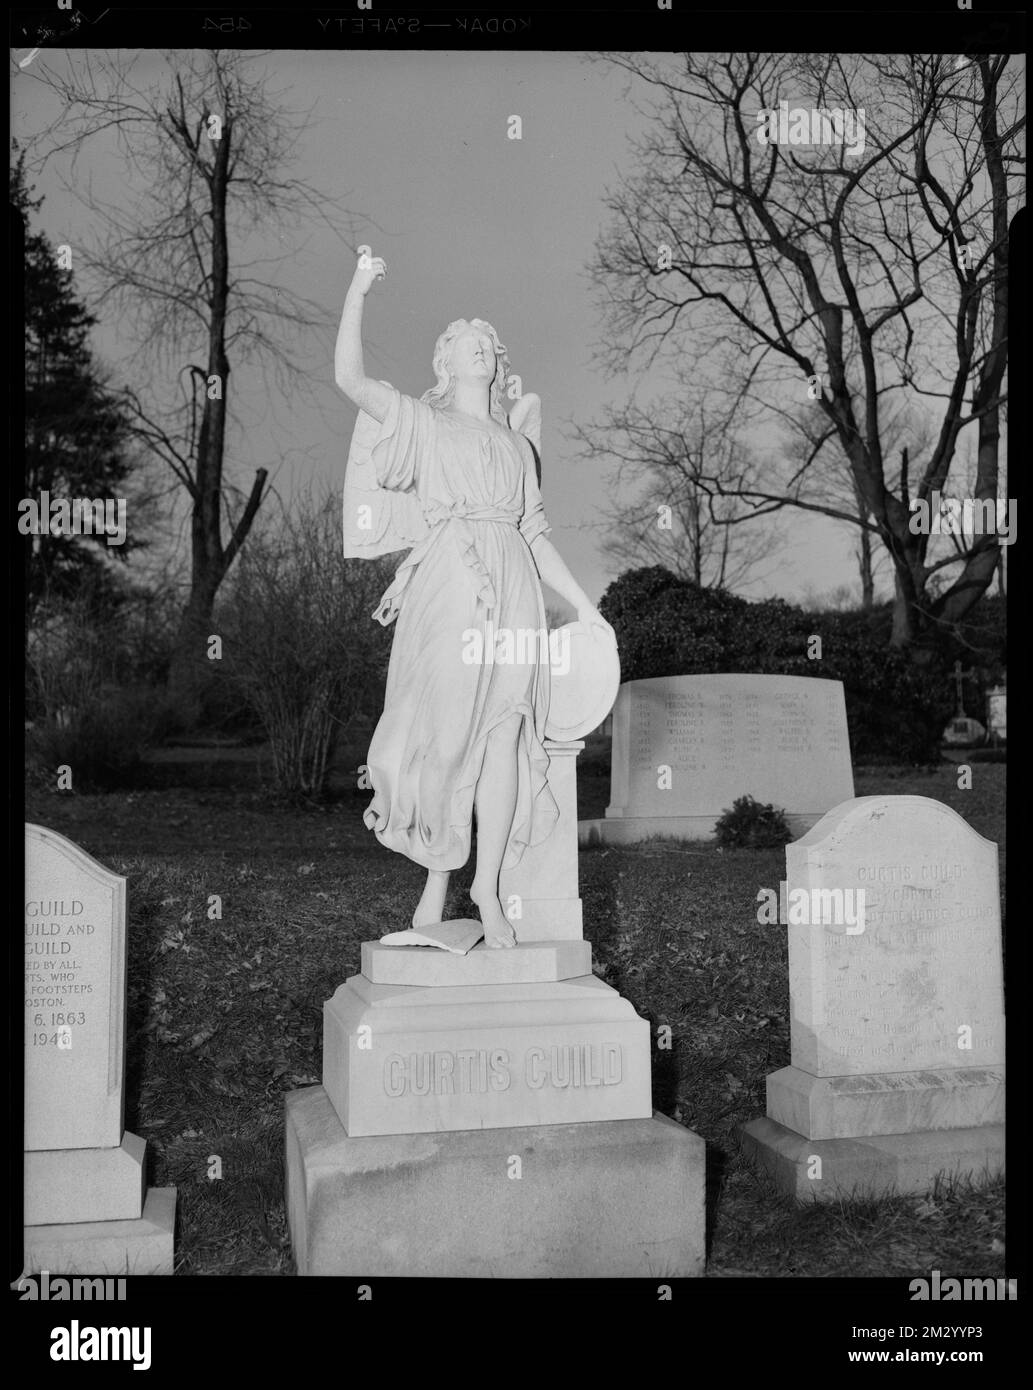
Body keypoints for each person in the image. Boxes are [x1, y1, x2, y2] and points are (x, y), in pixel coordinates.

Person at [334, 250, 613, 947]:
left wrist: (585, 607)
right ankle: (436, 876)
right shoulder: (423, 425)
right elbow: (349, 377)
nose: (482, 352)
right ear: (446, 363)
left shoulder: (517, 446)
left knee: (506, 732)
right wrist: (359, 288)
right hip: (450, 583)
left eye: (490, 345)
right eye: (469, 345)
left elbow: (536, 532)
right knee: (445, 732)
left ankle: (486, 888)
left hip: (513, 577)